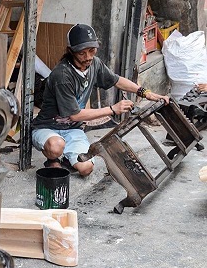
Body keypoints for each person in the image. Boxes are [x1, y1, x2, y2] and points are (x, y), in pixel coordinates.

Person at [32, 23, 170, 177]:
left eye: (92, 51)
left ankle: (66, 159)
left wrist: (145, 92)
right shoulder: (62, 75)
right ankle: (52, 158)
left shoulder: (94, 64)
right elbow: (75, 115)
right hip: (47, 127)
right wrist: (112, 109)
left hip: (72, 130)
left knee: (86, 169)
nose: (88, 57)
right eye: (82, 53)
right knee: (56, 146)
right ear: (71, 51)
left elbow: (116, 80)